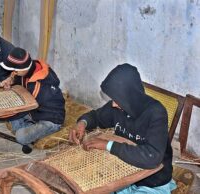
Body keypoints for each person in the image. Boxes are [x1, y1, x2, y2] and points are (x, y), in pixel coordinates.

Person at [69, 63, 176, 193]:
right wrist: (82, 123)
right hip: (124, 175)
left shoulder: (156, 113)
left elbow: (151, 157)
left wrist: (108, 145)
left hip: (152, 181)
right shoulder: (120, 106)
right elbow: (96, 116)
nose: (113, 104)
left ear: (130, 96)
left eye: (117, 99)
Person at [0, 47, 65, 151]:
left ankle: (29, 134)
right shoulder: (29, 68)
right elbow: (17, 78)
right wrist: (10, 80)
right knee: (13, 119)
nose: (13, 72)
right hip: (34, 112)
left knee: (20, 136)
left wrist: (0, 113)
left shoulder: (40, 86)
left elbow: (24, 105)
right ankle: (30, 131)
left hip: (50, 119)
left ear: (23, 68)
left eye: (15, 70)